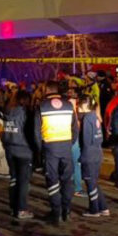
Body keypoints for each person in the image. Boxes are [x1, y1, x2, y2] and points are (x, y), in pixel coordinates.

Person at [34, 81, 78, 224]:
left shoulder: (41, 107)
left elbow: (36, 133)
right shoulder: (69, 105)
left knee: (52, 180)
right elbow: (75, 128)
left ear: (46, 90)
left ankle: (56, 212)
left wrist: (40, 149)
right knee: (67, 180)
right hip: (65, 146)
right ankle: (67, 211)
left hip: (50, 147)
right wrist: (69, 143)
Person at [3, 90, 36, 220]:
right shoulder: (26, 113)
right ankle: (21, 209)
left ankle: (13, 207)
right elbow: (30, 133)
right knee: (23, 181)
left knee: (14, 179)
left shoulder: (8, 112)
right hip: (24, 150)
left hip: (10, 149)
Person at [77, 95, 110, 218]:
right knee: (94, 182)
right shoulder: (95, 117)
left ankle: (94, 209)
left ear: (84, 105)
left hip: (89, 155)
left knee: (90, 183)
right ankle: (103, 207)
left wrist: (82, 157)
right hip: (97, 153)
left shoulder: (86, 119)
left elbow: (86, 140)